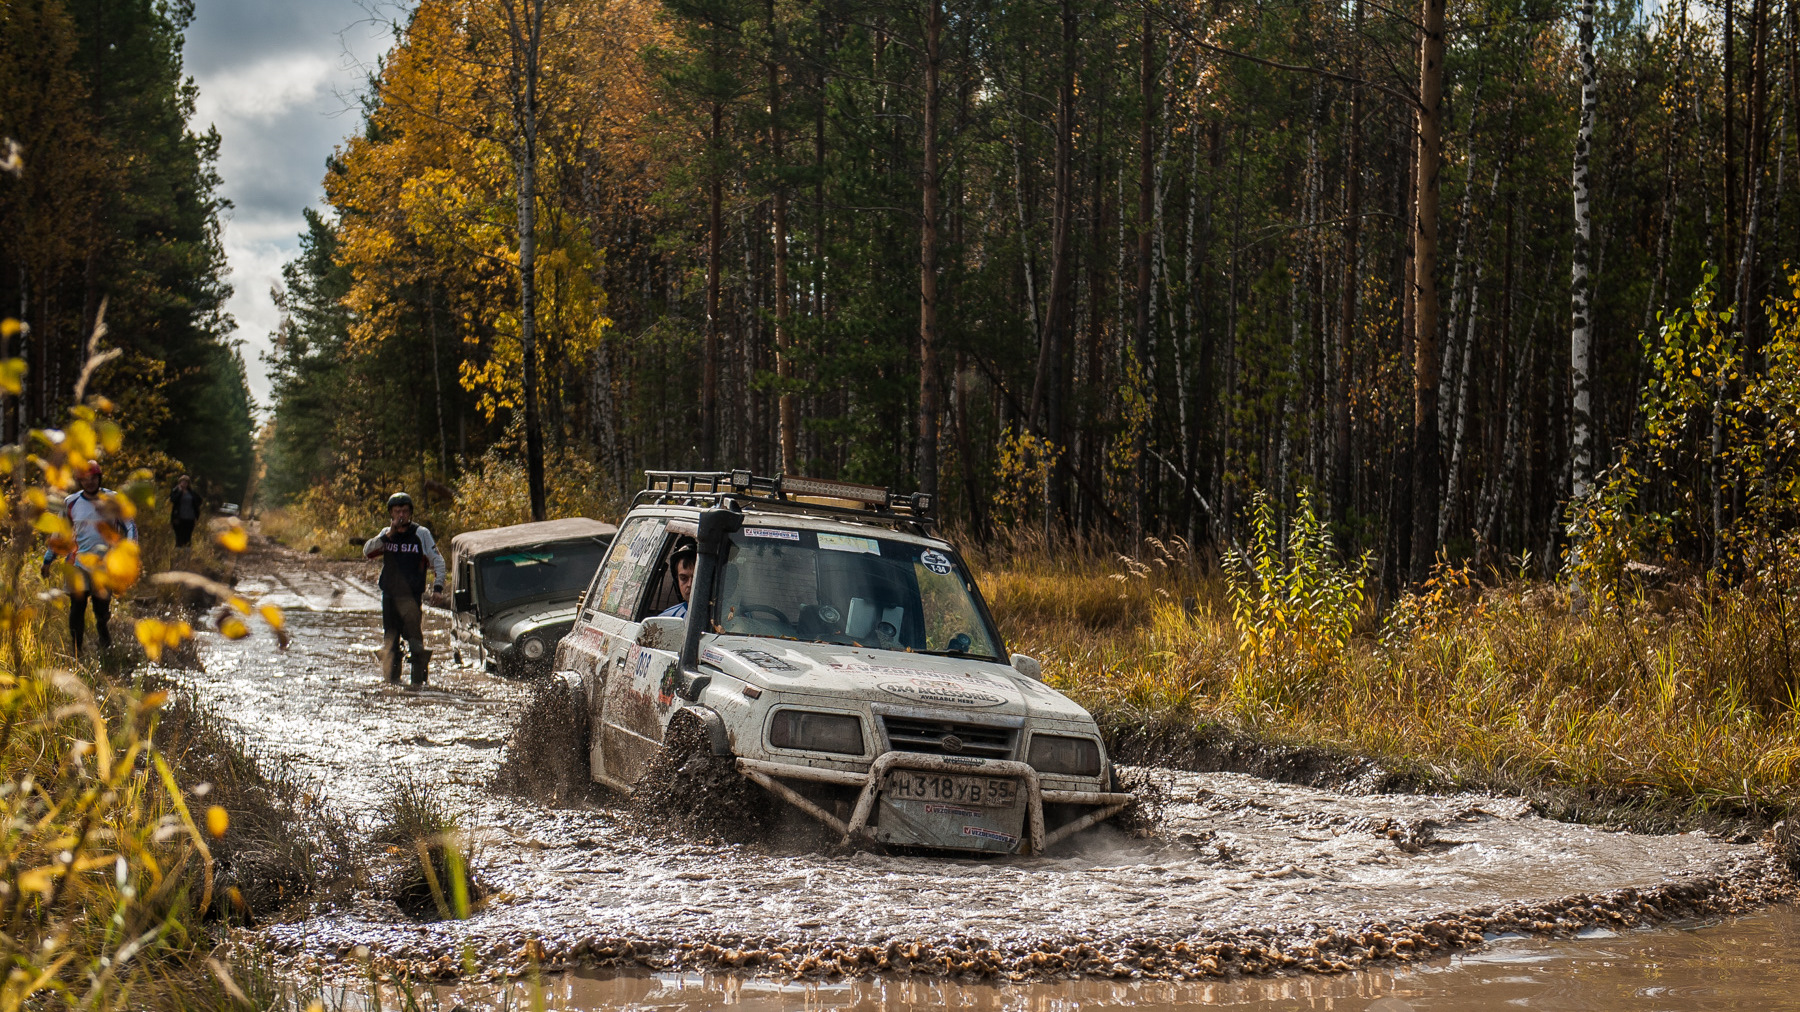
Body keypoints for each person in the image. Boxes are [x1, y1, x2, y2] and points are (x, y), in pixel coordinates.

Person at [40, 466, 137, 657]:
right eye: (85, 479)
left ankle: (103, 630)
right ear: (80, 481)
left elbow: (130, 525)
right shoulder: (71, 502)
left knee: (101, 608)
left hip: (105, 565)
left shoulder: (113, 499)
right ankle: (77, 651)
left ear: (99, 478)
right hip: (76, 564)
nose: (89, 482)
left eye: (93, 478)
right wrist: (48, 560)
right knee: (77, 606)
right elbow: (60, 533)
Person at [362, 492, 445, 686]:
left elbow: (438, 561)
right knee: (390, 643)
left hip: (411, 596)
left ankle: (419, 685)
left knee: (415, 643)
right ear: (391, 513)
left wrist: (438, 588)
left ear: (410, 513)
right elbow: (367, 552)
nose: (401, 515)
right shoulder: (386, 534)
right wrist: (388, 535)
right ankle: (392, 684)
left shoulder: (421, 534)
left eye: (405, 511)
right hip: (389, 596)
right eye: (397, 511)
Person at [659, 540, 697, 618]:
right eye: (683, 578)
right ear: (677, 580)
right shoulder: (667, 620)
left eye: (695, 579)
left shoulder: (723, 619)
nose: (690, 584)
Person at [169, 475, 201, 548]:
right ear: (179, 482)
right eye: (182, 482)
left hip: (190, 518)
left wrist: (196, 510)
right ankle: (178, 553)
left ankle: (187, 554)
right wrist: (180, 491)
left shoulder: (191, 492)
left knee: (187, 537)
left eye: (186, 482)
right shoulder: (175, 491)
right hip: (178, 518)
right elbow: (173, 500)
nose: (184, 483)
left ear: (188, 483)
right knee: (179, 536)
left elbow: (199, 500)